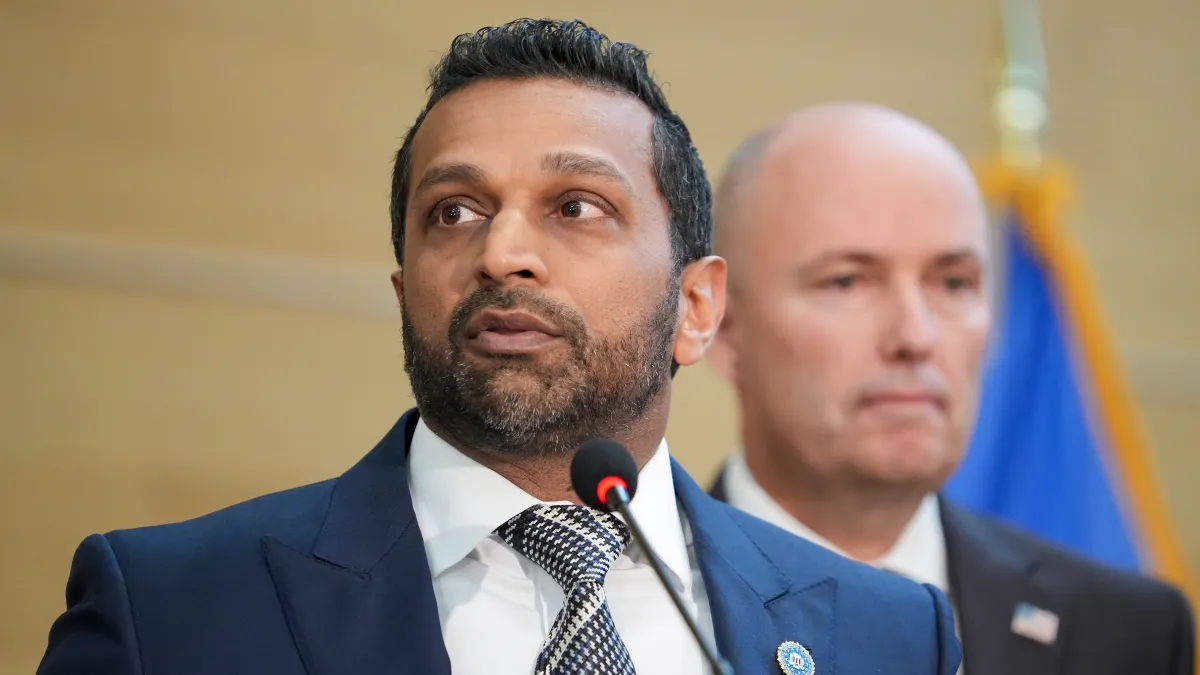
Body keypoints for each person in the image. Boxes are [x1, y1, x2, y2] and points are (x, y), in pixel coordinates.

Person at [36, 21, 961, 675]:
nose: (502, 252)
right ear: (405, 292)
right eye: (454, 211)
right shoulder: (167, 609)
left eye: (576, 207)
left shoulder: (886, 637)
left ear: (696, 305)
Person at [706, 101, 1195, 675]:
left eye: (955, 282)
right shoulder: (634, 609)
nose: (916, 336)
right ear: (724, 328)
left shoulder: (1128, 631)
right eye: (847, 281)